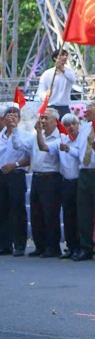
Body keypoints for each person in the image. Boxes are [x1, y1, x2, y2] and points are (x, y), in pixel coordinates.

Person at [70, 99, 95, 261]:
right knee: (83, 212)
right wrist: (68, 149)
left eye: (91, 107)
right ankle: (86, 247)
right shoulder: (85, 127)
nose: (87, 109)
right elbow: (79, 151)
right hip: (84, 172)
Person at [28, 109, 63, 257]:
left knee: (50, 214)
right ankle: (40, 246)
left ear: (55, 121)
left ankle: (52, 247)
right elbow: (19, 145)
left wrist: (38, 134)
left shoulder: (59, 138)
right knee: (36, 214)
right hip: (37, 177)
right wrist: (13, 128)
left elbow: (44, 147)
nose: (42, 121)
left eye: (46, 118)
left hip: (51, 178)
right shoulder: (36, 136)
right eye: (41, 118)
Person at [0, 107, 32, 256]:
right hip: (1, 175)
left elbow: (30, 157)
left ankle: (19, 244)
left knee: (17, 210)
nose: (11, 119)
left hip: (16, 174)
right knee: (2, 210)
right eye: (9, 116)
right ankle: (4, 244)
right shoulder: (0, 135)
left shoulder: (26, 136)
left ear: (19, 119)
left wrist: (15, 164)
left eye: (15, 116)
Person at [56, 113, 81, 259]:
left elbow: (82, 154)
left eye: (74, 124)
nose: (71, 127)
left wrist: (69, 149)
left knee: (79, 216)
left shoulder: (82, 139)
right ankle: (71, 246)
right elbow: (45, 147)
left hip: (79, 181)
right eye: (67, 125)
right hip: (66, 182)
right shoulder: (62, 140)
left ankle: (80, 246)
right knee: (68, 216)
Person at [36, 49, 77, 117]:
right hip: (51, 106)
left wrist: (62, 70)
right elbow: (40, 91)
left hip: (64, 107)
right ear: (55, 58)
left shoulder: (70, 72)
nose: (65, 57)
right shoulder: (47, 73)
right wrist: (45, 95)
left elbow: (73, 80)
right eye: (62, 55)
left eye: (66, 55)